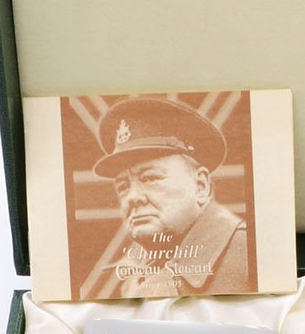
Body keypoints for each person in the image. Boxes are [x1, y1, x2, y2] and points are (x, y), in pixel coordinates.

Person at [93, 96, 250, 296]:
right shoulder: (132, 277)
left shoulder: (249, 256)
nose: (132, 197)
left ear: (201, 186)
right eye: (123, 186)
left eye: (150, 178)